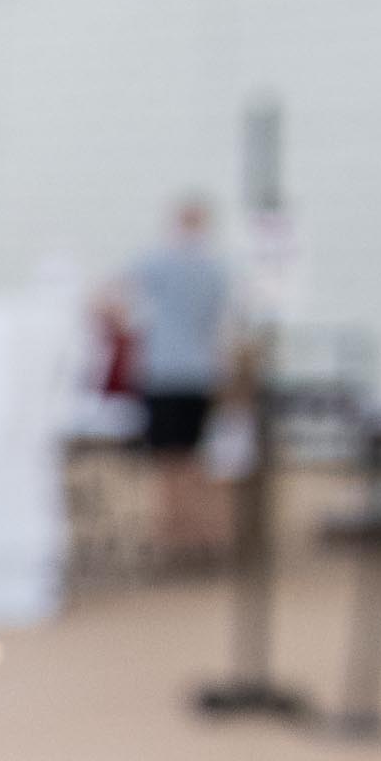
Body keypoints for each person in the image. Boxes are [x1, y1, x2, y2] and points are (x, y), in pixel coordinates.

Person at [114, 198, 235, 561]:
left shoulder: (157, 261)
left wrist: (128, 329)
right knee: (195, 459)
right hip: (202, 373)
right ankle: (200, 537)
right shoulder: (215, 268)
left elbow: (111, 296)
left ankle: (172, 537)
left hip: (164, 372)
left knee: (167, 461)